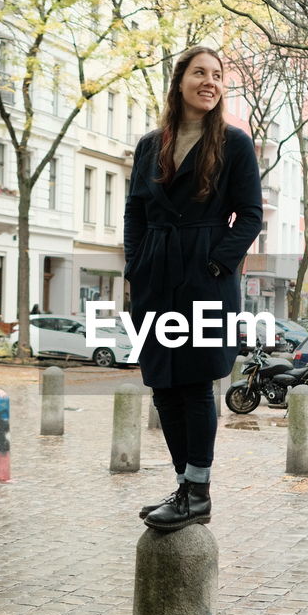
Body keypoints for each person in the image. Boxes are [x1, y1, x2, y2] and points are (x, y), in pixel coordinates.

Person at [123, 45, 263, 532]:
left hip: (206, 272)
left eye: (218, 75)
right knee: (163, 384)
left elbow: (249, 216)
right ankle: (185, 485)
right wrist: (135, 267)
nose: (210, 81)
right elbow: (135, 213)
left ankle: (198, 491)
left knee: (196, 384)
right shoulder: (149, 145)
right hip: (155, 273)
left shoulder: (234, 143)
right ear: (179, 80)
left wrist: (217, 264)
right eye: (199, 72)